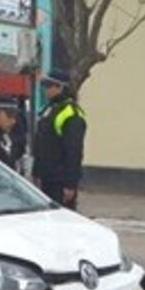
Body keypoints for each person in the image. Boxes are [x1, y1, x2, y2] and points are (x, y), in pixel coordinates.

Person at [32, 69, 86, 209]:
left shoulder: (71, 113)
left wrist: (70, 184)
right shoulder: (49, 109)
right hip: (46, 177)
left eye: (49, 86)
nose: (46, 90)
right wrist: (36, 172)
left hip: (60, 181)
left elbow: (74, 151)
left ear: (61, 87)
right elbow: (40, 144)